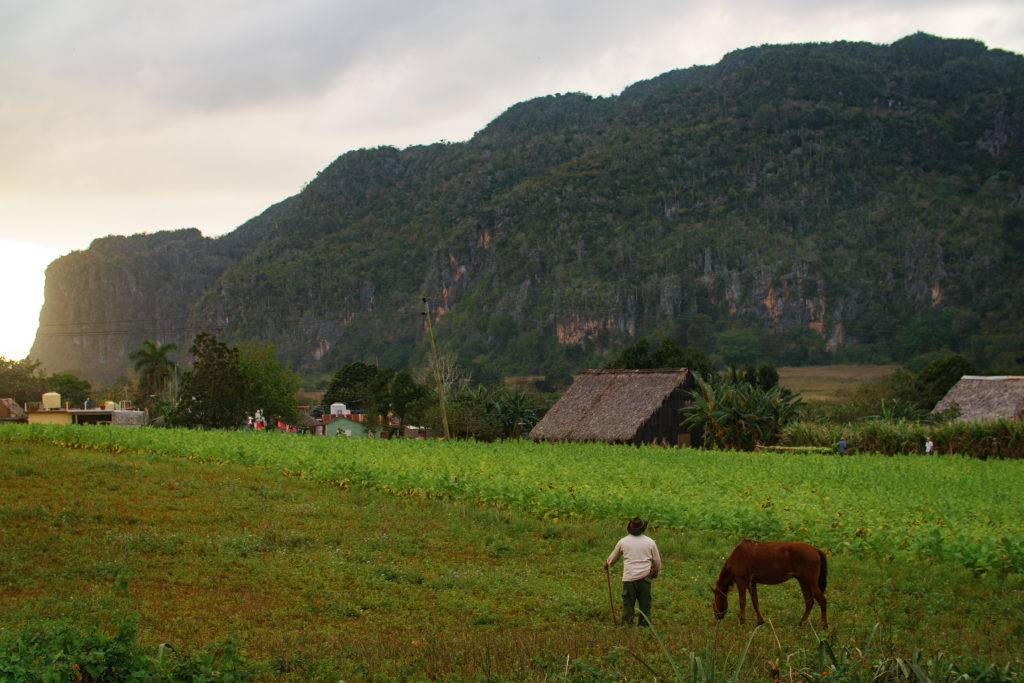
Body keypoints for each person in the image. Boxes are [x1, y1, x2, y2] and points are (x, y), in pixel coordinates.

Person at [604, 517, 662, 627]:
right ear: (642, 528)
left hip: (629, 579)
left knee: (628, 604)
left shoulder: (623, 542)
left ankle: (626, 627)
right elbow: (657, 561)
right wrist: (655, 572)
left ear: (630, 528)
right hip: (645, 578)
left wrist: (607, 563)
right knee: (645, 605)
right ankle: (644, 626)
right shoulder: (650, 542)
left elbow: (613, 558)